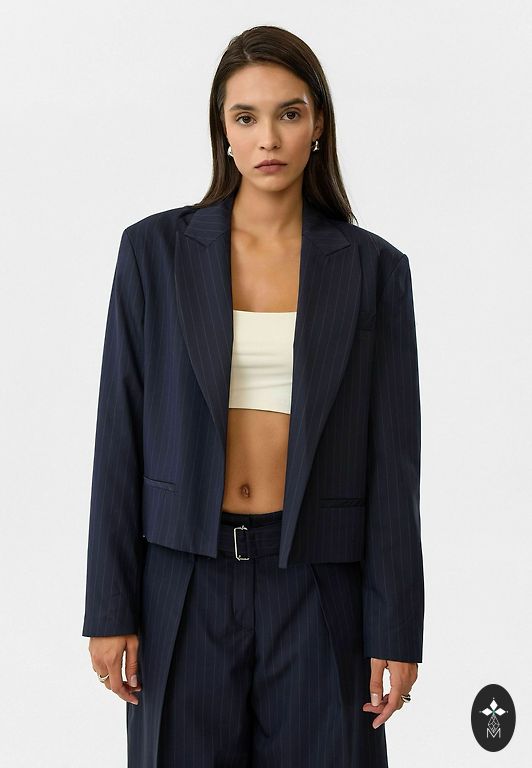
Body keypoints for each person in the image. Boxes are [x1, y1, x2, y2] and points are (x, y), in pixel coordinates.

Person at [82, 24, 424, 767]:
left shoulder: (374, 271)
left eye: (288, 113)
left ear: (317, 123)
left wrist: (397, 627)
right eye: (246, 116)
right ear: (223, 130)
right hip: (182, 580)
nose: (268, 138)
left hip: (319, 585)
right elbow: (119, 434)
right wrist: (110, 606)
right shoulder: (154, 254)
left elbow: (394, 463)